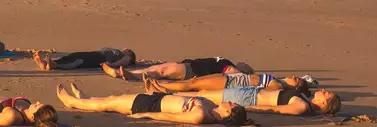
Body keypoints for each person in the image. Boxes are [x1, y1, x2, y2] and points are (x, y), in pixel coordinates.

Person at [56, 83, 250, 126]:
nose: (231, 102)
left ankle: (71, 102)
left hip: (149, 106)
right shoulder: (212, 106)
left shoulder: (199, 116)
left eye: (232, 105)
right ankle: (85, 99)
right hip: (156, 98)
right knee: (114, 97)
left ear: (227, 114)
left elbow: (169, 116)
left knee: (110, 103)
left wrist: (144, 115)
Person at [159, 87, 341, 116]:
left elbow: (272, 109)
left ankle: (163, 95)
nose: (324, 90)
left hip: (247, 98)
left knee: (201, 96)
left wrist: (246, 107)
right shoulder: (305, 99)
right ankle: (165, 92)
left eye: (327, 94)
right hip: (250, 92)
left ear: (325, 104)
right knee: (203, 92)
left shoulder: (301, 106)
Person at [145, 72, 317, 94]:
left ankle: (160, 87)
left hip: (231, 83)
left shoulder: (277, 86)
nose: (295, 76)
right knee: (194, 81)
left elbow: (256, 90)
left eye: (297, 79)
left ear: (295, 86)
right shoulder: (279, 81)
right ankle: (160, 86)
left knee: (193, 84)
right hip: (231, 79)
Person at [103, 57, 251, 81]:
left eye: (247, 66)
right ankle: (122, 73)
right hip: (189, 64)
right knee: (157, 67)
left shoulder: (230, 66)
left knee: (160, 72)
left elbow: (234, 74)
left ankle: (131, 76)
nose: (244, 63)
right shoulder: (227, 62)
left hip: (193, 71)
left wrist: (245, 74)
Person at [33, 47, 136, 70]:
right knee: (73, 56)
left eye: (129, 50)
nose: (126, 48)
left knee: (78, 61)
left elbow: (125, 61)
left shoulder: (125, 57)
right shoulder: (120, 54)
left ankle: (53, 65)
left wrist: (109, 65)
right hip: (95, 54)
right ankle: (47, 64)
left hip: (98, 58)